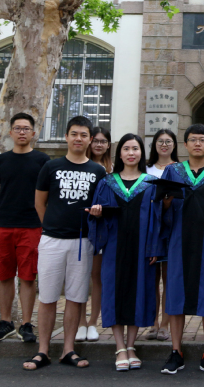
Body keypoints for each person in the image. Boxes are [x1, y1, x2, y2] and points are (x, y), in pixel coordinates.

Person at [23, 116, 106, 371]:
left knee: (76, 297)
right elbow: (39, 203)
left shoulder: (98, 171)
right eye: (74, 134)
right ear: (67, 137)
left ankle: (68, 349)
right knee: (47, 297)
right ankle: (43, 351)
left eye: (84, 135)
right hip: (52, 240)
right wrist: (51, 227)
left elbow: (101, 206)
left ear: (90, 139)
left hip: (82, 242)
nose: (78, 139)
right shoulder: (51, 166)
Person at [157, 124, 204, 376]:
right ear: (185, 144)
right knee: (176, 295)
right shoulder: (172, 171)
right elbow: (162, 209)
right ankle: (176, 351)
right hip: (179, 242)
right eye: (192, 140)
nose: (197, 143)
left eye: (202, 140)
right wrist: (166, 202)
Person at [87, 133, 159, 372]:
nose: (131, 153)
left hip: (142, 248)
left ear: (141, 153)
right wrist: (97, 214)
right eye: (126, 148)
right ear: (119, 153)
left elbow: (158, 220)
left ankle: (131, 346)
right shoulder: (107, 182)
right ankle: (119, 347)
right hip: (114, 248)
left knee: (138, 293)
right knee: (114, 293)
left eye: (135, 149)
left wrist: (154, 247)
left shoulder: (151, 183)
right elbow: (97, 216)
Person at [0, 113, 50, 344]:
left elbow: (48, 194)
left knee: (27, 276)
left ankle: (26, 323)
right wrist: (6, 207)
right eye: (17, 128)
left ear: (34, 133)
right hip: (3, 226)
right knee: (4, 276)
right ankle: (5, 322)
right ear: (10, 132)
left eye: (26, 128)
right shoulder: (1, 160)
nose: (22, 132)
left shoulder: (43, 160)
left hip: (32, 226)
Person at [76, 127, 112, 342]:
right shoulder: (81, 165)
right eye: (96, 140)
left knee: (97, 277)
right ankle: (80, 322)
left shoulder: (112, 169)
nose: (99, 145)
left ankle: (93, 322)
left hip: (102, 229)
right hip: (80, 228)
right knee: (81, 277)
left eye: (103, 141)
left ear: (108, 145)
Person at [144, 129, 178, 341]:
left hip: (170, 230)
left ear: (174, 144)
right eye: (160, 141)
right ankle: (153, 324)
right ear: (154, 144)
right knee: (151, 279)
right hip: (148, 230)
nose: (164, 145)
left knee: (169, 279)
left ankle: (165, 324)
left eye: (168, 141)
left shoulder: (179, 169)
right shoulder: (145, 169)